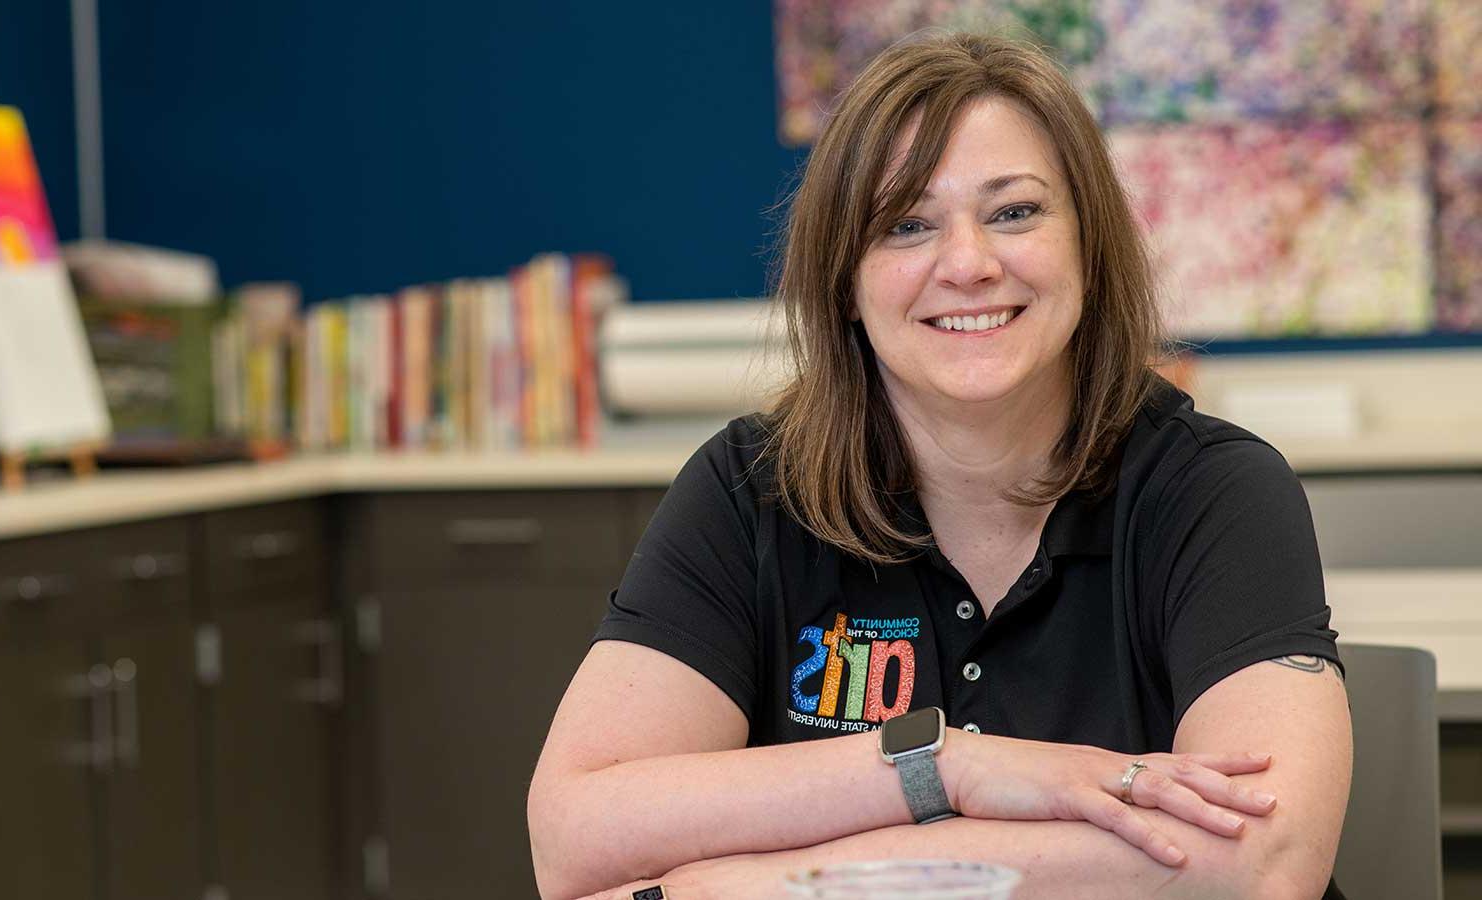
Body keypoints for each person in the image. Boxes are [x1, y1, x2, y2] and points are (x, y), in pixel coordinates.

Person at [527, 31, 1352, 900]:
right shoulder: (749, 490)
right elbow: (573, 839)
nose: (968, 264)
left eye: (1015, 212)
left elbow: (1262, 864)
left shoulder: (1213, 490)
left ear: (1090, 244)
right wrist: (938, 767)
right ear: (844, 278)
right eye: (906, 225)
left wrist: (741, 884)